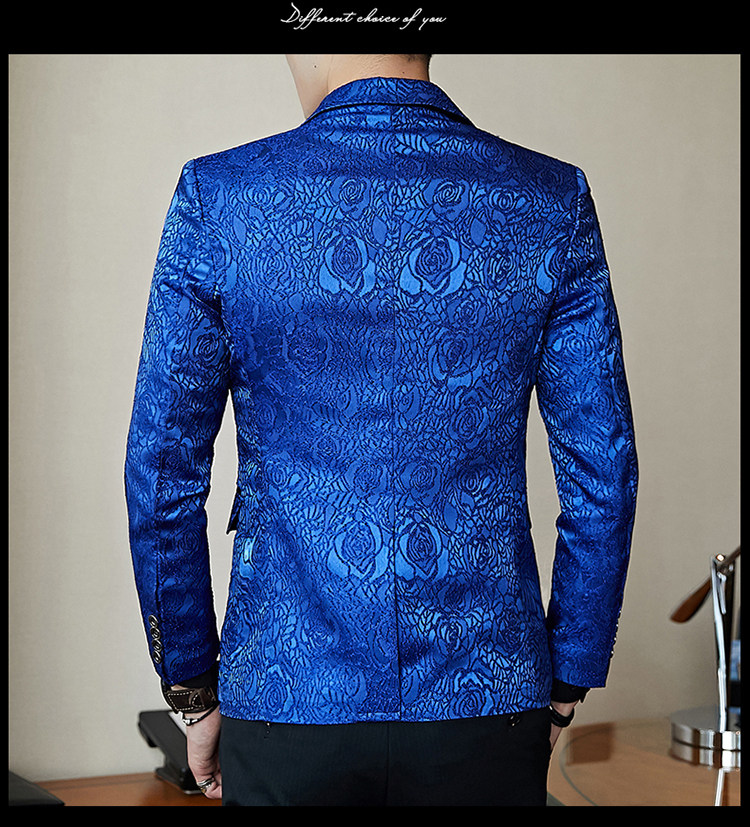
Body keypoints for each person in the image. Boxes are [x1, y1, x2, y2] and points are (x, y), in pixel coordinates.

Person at [124, 53, 638, 806]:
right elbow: (604, 475)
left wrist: (193, 689)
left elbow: (161, 471)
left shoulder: (221, 196)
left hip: (288, 693)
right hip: (487, 696)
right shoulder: (549, 199)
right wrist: (567, 679)